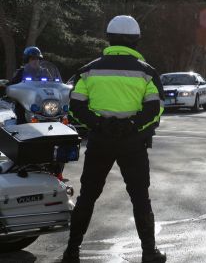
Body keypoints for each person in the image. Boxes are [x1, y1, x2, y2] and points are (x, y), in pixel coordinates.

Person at [62, 15, 166, 263]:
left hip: (100, 141)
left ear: (108, 38)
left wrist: (99, 124)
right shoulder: (147, 72)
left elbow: (75, 107)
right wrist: (131, 125)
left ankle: (71, 252)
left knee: (87, 195)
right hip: (133, 143)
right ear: (136, 41)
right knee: (140, 197)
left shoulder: (88, 70)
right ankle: (149, 253)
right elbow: (156, 109)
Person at [5, 46, 44, 124]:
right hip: (25, 105)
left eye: (37, 59)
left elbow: (54, 84)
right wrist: (9, 87)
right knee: (21, 118)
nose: (35, 61)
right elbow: (12, 86)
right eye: (33, 59)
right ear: (27, 60)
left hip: (43, 104)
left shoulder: (44, 72)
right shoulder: (21, 72)